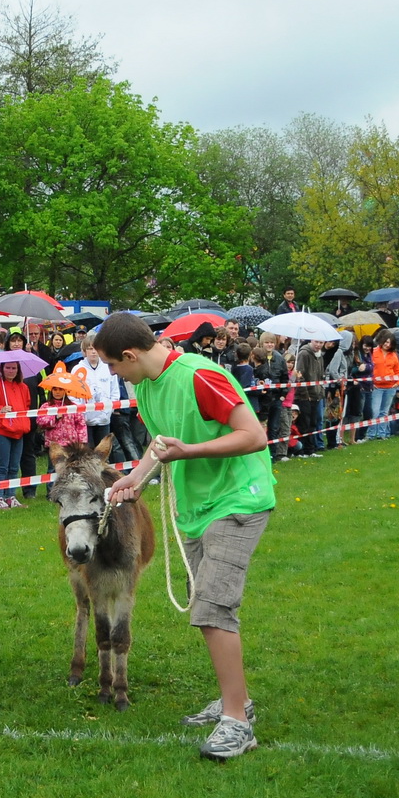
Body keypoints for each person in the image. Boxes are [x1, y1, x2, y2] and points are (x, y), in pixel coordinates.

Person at [96, 313, 275, 761]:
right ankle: (237, 701)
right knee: (208, 608)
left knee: (213, 608)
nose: (115, 375)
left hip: (239, 501)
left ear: (131, 355)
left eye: (115, 366)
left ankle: (236, 721)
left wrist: (189, 452)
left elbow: (254, 435)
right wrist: (133, 479)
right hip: (197, 509)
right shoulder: (147, 387)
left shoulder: (201, 375)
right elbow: (161, 444)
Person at [0, 359, 33, 510]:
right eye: (8, 368)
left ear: (18, 370)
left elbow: (27, 405)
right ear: (2, 369)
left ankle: (11, 496)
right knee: (3, 466)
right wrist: (0, 409)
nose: (11, 371)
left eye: (14, 368)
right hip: (2, 431)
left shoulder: (23, 387)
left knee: (14, 467)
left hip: (19, 431)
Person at [80, 341, 120, 451]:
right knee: (88, 452)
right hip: (86, 420)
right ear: (84, 351)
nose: (93, 352)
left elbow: (114, 391)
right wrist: (81, 413)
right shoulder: (77, 369)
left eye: (95, 349)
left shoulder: (108, 368)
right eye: (89, 349)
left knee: (103, 451)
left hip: (104, 418)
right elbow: (74, 395)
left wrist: (109, 410)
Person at [293, 338, 326, 456]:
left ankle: (310, 449)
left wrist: (321, 392)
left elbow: (321, 375)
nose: (318, 344)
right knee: (304, 424)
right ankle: (302, 450)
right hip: (304, 396)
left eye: (321, 342)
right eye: (316, 341)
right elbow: (299, 375)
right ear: (311, 340)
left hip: (316, 395)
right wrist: (306, 395)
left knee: (313, 422)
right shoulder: (304, 353)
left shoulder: (320, 356)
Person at [368, 333, 399, 439]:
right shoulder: (373, 352)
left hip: (390, 387)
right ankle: (371, 434)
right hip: (376, 387)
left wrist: (397, 383)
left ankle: (382, 434)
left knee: (384, 412)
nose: (388, 345)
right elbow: (369, 369)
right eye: (386, 342)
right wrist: (371, 383)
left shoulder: (394, 355)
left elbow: (398, 370)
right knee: (375, 411)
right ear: (382, 341)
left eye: (390, 343)